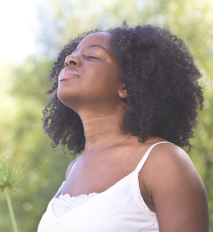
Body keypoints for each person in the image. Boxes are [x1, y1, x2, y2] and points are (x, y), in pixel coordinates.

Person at [37, 22, 210, 232]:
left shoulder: (163, 161)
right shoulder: (73, 169)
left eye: (92, 56)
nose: (70, 59)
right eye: (72, 55)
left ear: (126, 86)